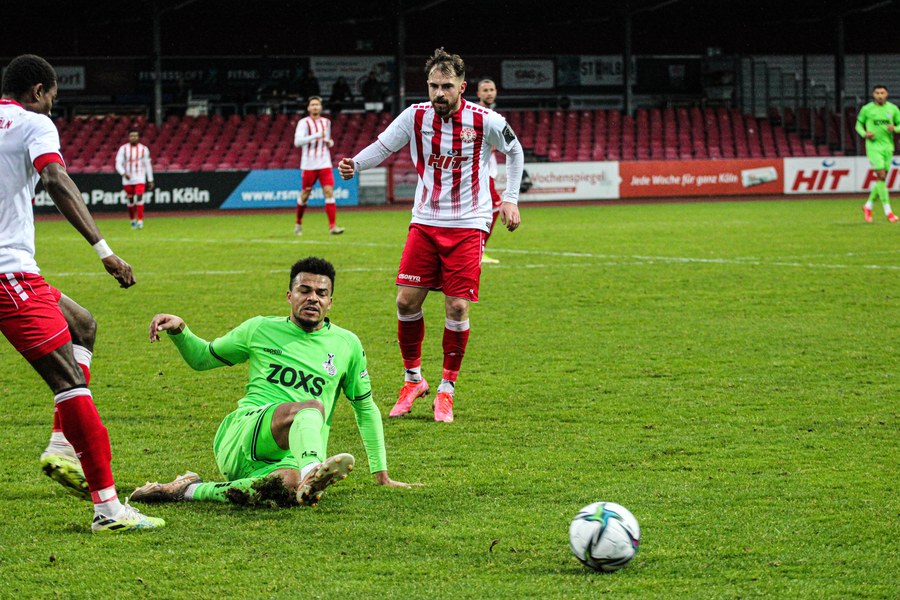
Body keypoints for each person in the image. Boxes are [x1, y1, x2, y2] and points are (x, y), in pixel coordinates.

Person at [0, 54, 163, 532]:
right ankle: (108, 510)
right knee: (71, 383)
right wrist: (104, 251)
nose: (52, 106)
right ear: (38, 91)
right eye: (52, 97)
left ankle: (60, 443)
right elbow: (55, 179)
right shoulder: (34, 123)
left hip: (19, 273)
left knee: (83, 324)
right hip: (8, 274)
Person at [131, 257, 418, 507]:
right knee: (310, 407)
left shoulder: (347, 345)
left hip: (288, 457)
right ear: (289, 296)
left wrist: (382, 475)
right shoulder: (260, 329)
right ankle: (312, 470)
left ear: (330, 301)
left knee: (286, 489)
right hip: (243, 435)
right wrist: (180, 330)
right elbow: (202, 358)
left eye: (321, 293)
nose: (313, 298)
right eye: (304, 291)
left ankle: (189, 490)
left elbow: (365, 408)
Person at [338, 48, 524, 423]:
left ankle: (446, 389)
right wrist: (355, 163)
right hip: (425, 220)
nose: (439, 93)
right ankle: (413, 380)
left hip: (468, 222)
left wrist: (510, 199)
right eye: (434, 86)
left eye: (447, 86)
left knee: (457, 307)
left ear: (462, 87)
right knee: (406, 302)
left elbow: (515, 150)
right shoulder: (415, 115)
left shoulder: (485, 120)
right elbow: (384, 145)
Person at [293, 96, 344, 236]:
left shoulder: (326, 122)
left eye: (317, 104)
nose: (315, 107)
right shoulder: (303, 123)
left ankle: (332, 226)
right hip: (308, 164)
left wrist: (330, 143)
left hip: (324, 163)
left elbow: (328, 140)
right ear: (308, 108)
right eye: (313, 104)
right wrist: (315, 135)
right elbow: (297, 142)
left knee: (329, 191)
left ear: (321, 107)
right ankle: (298, 222)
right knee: (305, 195)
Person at [857, 85, 900, 223]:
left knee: (881, 180)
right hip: (873, 147)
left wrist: (895, 128)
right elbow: (858, 125)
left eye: (882, 93)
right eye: (877, 93)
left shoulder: (893, 109)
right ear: (873, 94)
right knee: (881, 176)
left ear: (887, 94)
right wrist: (864, 133)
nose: (880, 95)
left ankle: (868, 206)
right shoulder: (867, 109)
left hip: (888, 147)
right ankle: (889, 212)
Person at [476, 79, 502, 265]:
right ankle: (479, 249)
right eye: (485, 90)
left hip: (488, 169)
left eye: (491, 89)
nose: (489, 93)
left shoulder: (493, 115)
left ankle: (476, 248)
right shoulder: (477, 114)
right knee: (495, 205)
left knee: (490, 207)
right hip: (480, 170)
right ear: (478, 93)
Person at [114, 129, 154, 229]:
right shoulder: (123, 149)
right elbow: (118, 163)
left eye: (135, 136)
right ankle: (132, 220)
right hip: (127, 179)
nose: (133, 138)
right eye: (132, 136)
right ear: (129, 137)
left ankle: (140, 220)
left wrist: (150, 179)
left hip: (140, 178)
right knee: (130, 199)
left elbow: (147, 165)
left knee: (139, 197)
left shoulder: (144, 149)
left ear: (138, 137)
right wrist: (123, 173)